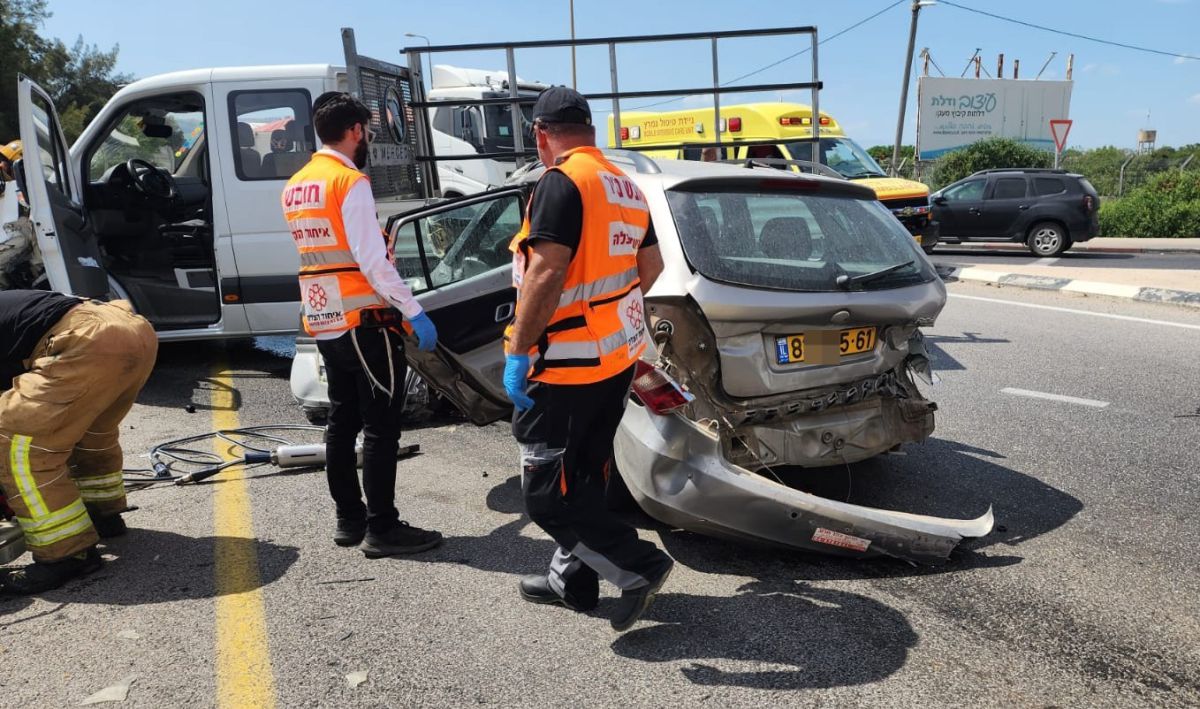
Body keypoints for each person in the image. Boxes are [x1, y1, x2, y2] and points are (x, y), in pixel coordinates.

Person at [504, 86, 675, 632]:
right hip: (614, 360)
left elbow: (546, 272)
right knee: (583, 478)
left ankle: (639, 567)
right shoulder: (625, 186)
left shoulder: (562, 181)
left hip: (563, 367)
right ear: (590, 130)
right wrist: (608, 313)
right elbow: (651, 267)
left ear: (540, 133)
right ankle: (571, 580)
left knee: (547, 497)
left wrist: (519, 350)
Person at [281, 92, 442, 558]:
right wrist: (412, 310)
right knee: (380, 427)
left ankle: (349, 519)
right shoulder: (348, 181)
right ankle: (382, 528)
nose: (368, 138)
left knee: (342, 420)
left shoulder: (297, 185)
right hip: (364, 322)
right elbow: (372, 261)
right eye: (367, 131)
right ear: (355, 131)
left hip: (325, 319)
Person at [0, 291, 157, 594]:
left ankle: (68, 554)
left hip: (84, 340)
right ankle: (102, 514)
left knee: (19, 446)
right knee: (89, 431)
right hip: (130, 328)